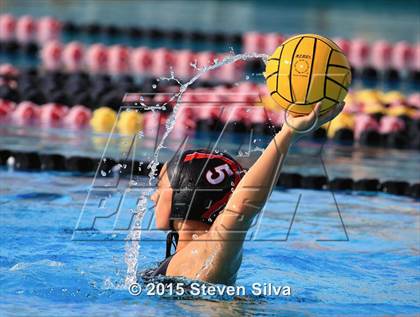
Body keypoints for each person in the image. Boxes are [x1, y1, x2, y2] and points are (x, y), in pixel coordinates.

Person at [148, 101, 344, 285]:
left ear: (185, 194)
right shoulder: (192, 256)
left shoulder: (201, 254)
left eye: (159, 187)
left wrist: (287, 134)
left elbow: (241, 206)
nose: (153, 196)